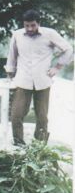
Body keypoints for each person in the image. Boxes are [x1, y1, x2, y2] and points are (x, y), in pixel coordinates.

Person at [5, 9, 73, 146]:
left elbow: (68, 49)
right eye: (27, 25)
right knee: (16, 115)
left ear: (39, 23)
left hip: (43, 81)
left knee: (42, 117)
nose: (30, 28)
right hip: (23, 80)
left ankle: (39, 146)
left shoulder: (50, 34)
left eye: (33, 25)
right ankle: (19, 144)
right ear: (23, 24)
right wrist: (10, 74)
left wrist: (57, 67)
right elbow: (12, 56)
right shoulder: (17, 35)